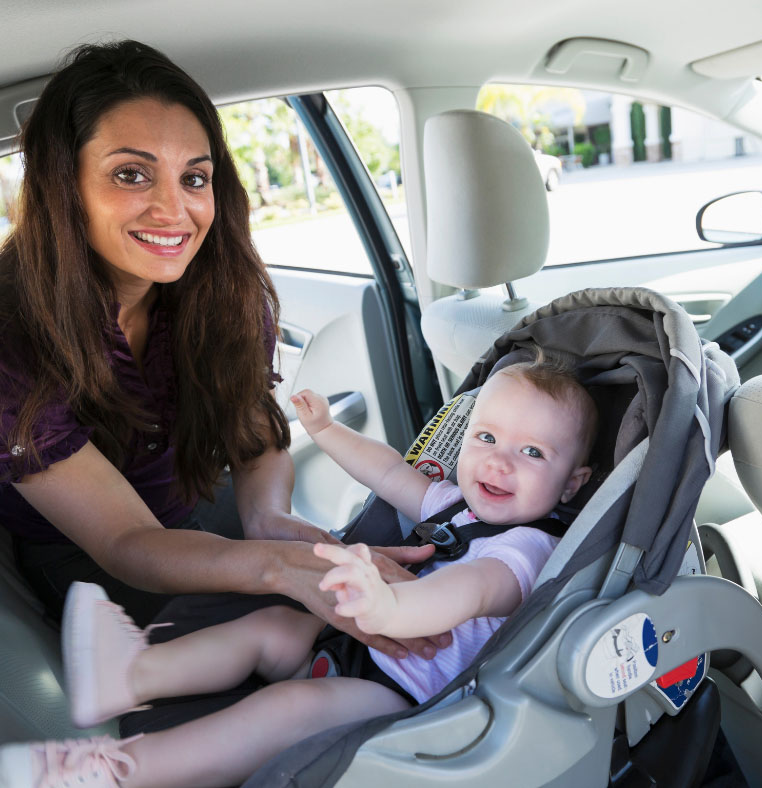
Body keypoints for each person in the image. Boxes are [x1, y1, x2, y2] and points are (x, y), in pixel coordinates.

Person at [0, 39, 438, 660]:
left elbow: (256, 444)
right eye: (131, 174)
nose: (174, 210)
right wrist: (277, 569)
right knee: (309, 648)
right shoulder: (12, 334)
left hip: (194, 512)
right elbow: (125, 540)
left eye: (195, 177)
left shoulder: (223, 296)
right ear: (62, 184)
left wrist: (271, 524)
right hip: (91, 561)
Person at [0, 355, 598, 787]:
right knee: (271, 630)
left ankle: (119, 770)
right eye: (487, 437)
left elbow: (470, 592)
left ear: (573, 482)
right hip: (351, 642)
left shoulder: (530, 548)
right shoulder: (456, 506)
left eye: (532, 452)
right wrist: (327, 432)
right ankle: (133, 674)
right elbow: (390, 475)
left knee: (287, 713)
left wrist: (391, 608)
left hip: (405, 696)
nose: (498, 459)